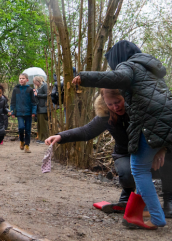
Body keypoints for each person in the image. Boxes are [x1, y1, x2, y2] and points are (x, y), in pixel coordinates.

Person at [72, 40, 171, 229]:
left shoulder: (129, 65)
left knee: (139, 169)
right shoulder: (150, 69)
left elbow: (116, 77)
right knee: (138, 166)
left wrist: (84, 77)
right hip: (162, 122)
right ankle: (135, 213)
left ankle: (157, 217)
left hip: (148, 122)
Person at [46, 89, 172, 218]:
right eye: (110, 104)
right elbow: (86, 131)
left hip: (151, 152)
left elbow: (166, 129)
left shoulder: (141, 110)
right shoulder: (107, 115)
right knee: (127, 172)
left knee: (168, 159)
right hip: (125, 154)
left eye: (118, 102)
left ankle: (169, 199)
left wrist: (163, 149)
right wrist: (60, 136)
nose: (115, 107)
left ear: (125, 98)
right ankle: (128, 193)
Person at [10, 73, 37, 153]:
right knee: (21, 128)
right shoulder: (16, 89)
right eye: (20, 78)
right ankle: (21, 141)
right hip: (19, 113)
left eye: (23, 78)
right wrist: (12, 112)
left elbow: (33, 102)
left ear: (27, 80)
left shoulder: (30, 90)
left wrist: (33, 111)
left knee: (28, 130)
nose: (21, 80)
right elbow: (12, 102)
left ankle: (27, 145)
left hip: (28, 113)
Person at [33, 76, 48, 143]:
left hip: (43, 107)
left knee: (43, 124)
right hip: (39, 107)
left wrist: (37, 94)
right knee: (40, 124)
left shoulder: (45, 85)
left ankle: (44, 138)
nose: (35, 83)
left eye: (35, 82)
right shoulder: (38, 87)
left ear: (38, 81)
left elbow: (47, 95)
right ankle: (41, 137)